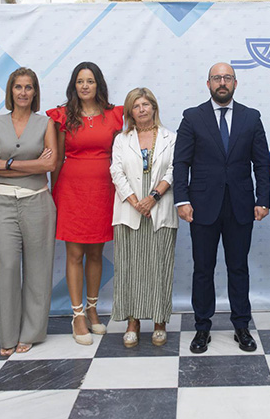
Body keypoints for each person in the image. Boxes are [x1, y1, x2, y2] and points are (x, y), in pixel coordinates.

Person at [173, 62, 270, 354]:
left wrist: (263, 199)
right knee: (203, 269)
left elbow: (262, 163)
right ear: (208, 84)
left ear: (235, 83)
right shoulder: (192, 117)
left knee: (238, 268)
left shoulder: (251, 117)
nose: (222, 82)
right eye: (217, 78)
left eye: (227, 78)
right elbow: (181, 163)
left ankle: (242, 326)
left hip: (241, 206)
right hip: (202, 206)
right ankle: (202, 328)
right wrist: (182, 199)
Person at [0, 68, 58, 356]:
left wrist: (8, 164)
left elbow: (49, 166)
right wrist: (28, 164)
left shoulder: (45, 123)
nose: (23, 92)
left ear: (35, 92)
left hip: (37, 202)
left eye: (29, 87)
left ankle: (32, 333)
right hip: (2, 205)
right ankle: (8, 335)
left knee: (38, 270)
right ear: (10, 91)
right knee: (9, 268)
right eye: (18, 87)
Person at [47, 62, 123, 345]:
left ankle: (93, 310)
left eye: (90, 81)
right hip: (71, 189)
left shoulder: (114, 115)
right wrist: (54, 194)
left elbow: (120, 155)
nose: (85, 86)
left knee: (96, 252)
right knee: (74, 253)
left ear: (98, 83)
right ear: (74, 85)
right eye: (80, 81)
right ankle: (76, 314)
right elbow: (56, 159)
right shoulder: (64, 115)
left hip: (104, 189)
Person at [110, 88, 179, 347]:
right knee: (130, 268)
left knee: (159, 266)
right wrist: (135, 201)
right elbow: (116, 171)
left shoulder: (171, 138)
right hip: (130, 211)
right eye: (136, 105)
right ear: (130, 111)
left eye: (146, 104)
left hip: (160, 209)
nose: (141, 109)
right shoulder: (121, 139)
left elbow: (174, 170)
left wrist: (153, 198)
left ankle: (160, 322)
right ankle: (132, 322)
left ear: (154, 107)